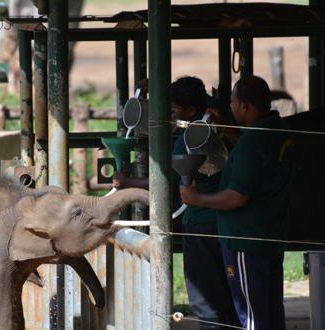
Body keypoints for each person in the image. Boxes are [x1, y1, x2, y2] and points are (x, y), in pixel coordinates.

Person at [114, 76, 240, 329]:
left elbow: (162, 181)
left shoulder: (187, 140)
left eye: (173, 110)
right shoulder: (221, 127)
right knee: (228, 294)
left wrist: (127, 183)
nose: (169, 115)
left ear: (192, 111)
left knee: (206, 299)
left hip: (199, 223)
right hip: (225, 223)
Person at [180, 75, 295, 330]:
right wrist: (231, 133)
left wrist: (195, 198)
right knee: (270, 310)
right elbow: (254, 161)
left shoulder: (254, 142)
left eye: (232, 103)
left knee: (251, 315)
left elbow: (236, 197)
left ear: (244, 106)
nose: (229, 108)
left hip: (246, 240)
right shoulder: (275, 130)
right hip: (269, 234)